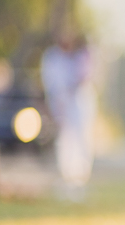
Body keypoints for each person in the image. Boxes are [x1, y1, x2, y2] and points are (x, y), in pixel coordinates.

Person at [40, 31, 95, 198]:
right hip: (62, 106)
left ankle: (79, 179)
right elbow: (51, 84)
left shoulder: (80, 57)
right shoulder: (53, 58)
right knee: (65, 142)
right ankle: (67, 178)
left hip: (77, 105)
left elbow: (84, 78)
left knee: (81, 141)